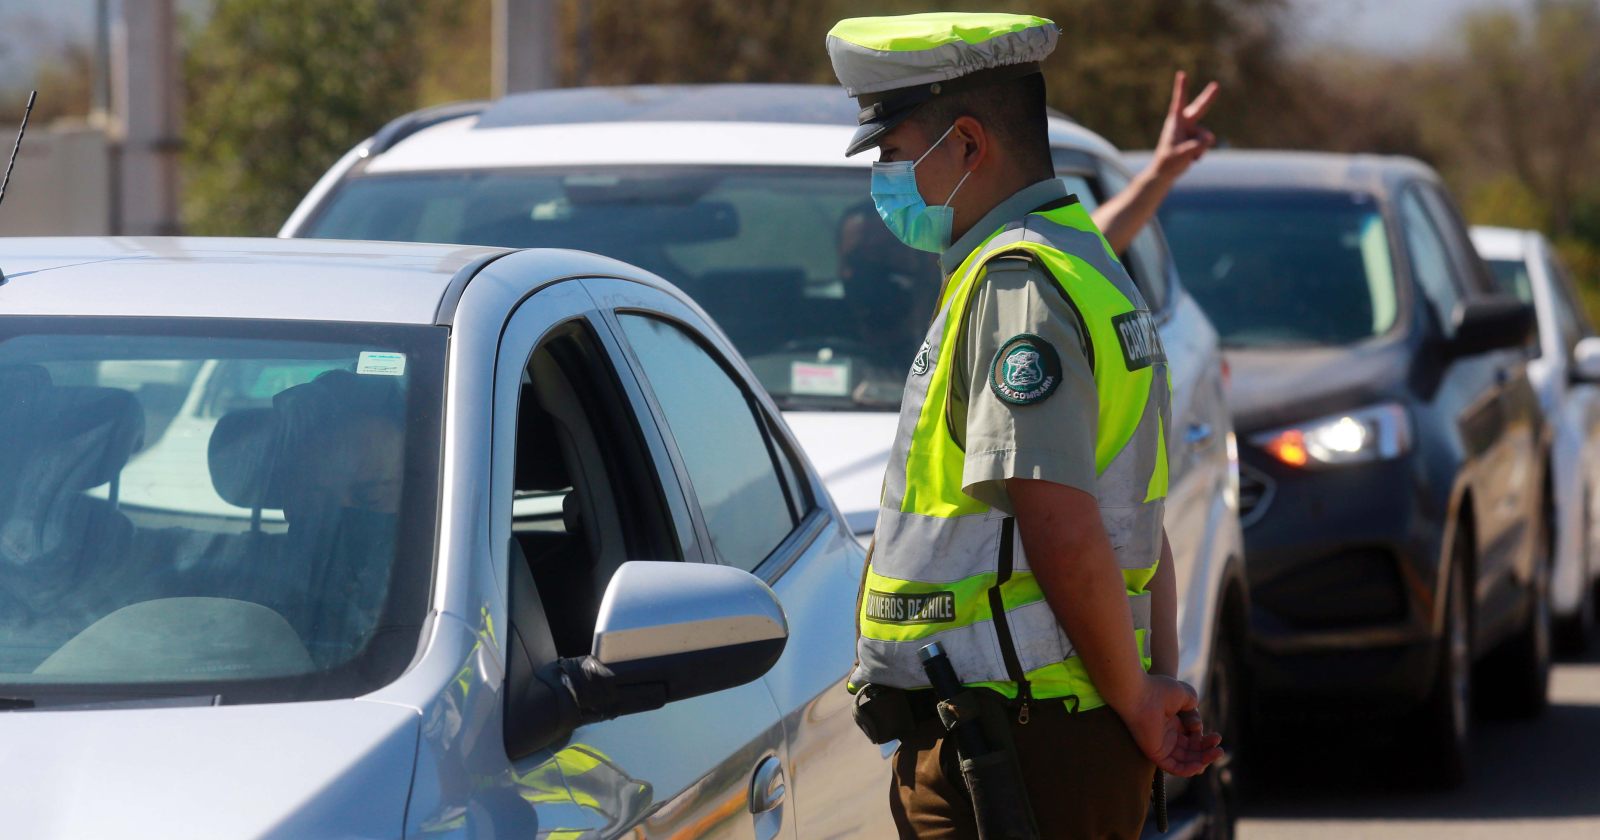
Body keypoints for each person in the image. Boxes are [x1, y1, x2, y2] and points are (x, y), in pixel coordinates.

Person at [826, 12, 1222, 839]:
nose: (886, 180)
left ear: (968, 146)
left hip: (1014, 738)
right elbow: (1137, 528)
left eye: (895, 153)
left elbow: (1064, 525)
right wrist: (1148, 685)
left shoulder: (1018, 288)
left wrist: (1141, 698)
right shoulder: (1075, 262)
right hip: (1044, 728)